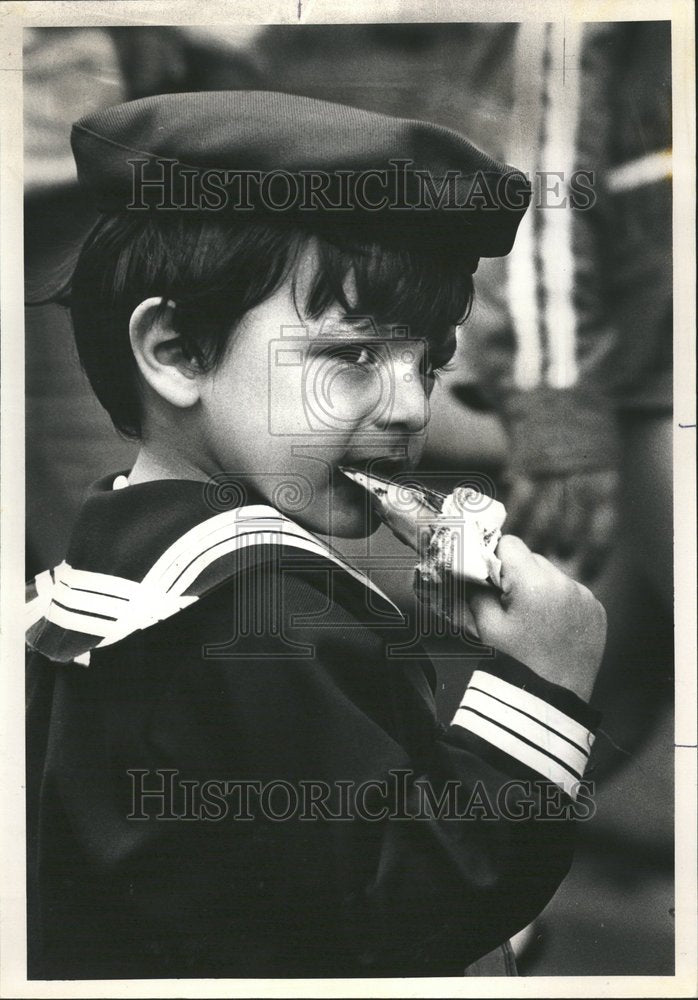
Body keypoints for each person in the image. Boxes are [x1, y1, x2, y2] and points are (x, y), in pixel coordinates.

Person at [25, 91, 606, 979]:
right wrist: (542, 685)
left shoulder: (129, 562)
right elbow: (410, 911)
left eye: (430, 361)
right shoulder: (255, 620)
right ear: (178, 350)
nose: (413, 409)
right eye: (355, 356)